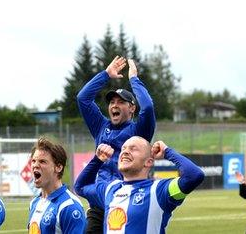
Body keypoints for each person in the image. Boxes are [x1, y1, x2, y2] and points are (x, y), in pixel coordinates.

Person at [77, 56, 156, 233]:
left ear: (132, 108)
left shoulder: (139, 131)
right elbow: (83, 98)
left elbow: (148, 107)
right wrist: (106, 75)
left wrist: (134, 79)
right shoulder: (100, 126)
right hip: (101, 200)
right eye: (112, 102)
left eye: (121, 102)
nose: (115, 105)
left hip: (128, 199)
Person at [74, 137, 204, 233]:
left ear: (148, 162)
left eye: (133, 148)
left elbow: (194, 175)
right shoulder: (110, 189)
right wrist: (97, 160)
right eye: (123, 148)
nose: (125, 151)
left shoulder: (159, 190)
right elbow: (80, 186)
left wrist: (167, 152)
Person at [27, 138, 86, 234]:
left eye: (42, 161)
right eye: (33, 161)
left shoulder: (69, 206)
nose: (35, 165)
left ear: (58, 167)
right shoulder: (34, 203)